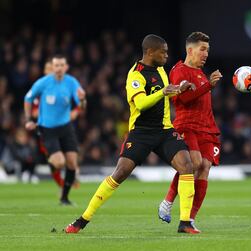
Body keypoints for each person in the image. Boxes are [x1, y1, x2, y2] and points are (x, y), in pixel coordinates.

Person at [64, 34, 200, 234]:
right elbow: (142, 103)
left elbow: (164, 93)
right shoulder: (135, 75)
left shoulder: (161, 70)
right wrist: (163, 92)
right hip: (141, 133)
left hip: (164, 130)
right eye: (163, 52)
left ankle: (185, 222)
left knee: (187, 165)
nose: (166, 56)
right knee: (119, 174)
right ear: (150, 52)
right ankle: (82, 220)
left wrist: (179, 89)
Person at [158, 31, 222, 232]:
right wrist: (208, 86)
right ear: (190, 50)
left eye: (208, 50)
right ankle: (168, 201)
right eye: (202, 49)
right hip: (187, 125)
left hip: (206, 128)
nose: (206, 54)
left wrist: (206, 84)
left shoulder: (201, 74)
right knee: (193, 164)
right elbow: (183, 99)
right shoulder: (179, 70)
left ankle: (190, 220)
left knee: (204, 168)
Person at [24, 55, 86, 205]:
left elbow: (81, 106)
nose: (59, 68)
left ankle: (64, 198)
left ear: (66, 67)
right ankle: (52, 162)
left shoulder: (71, 83)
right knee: (59, 163)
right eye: (56, 65)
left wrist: (83, 100)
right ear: (52, 67)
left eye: (61, 65)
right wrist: (29, 120)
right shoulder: (43, 83)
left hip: (65, 127)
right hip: (47, 129)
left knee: (72, 163)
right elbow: (28, 99)